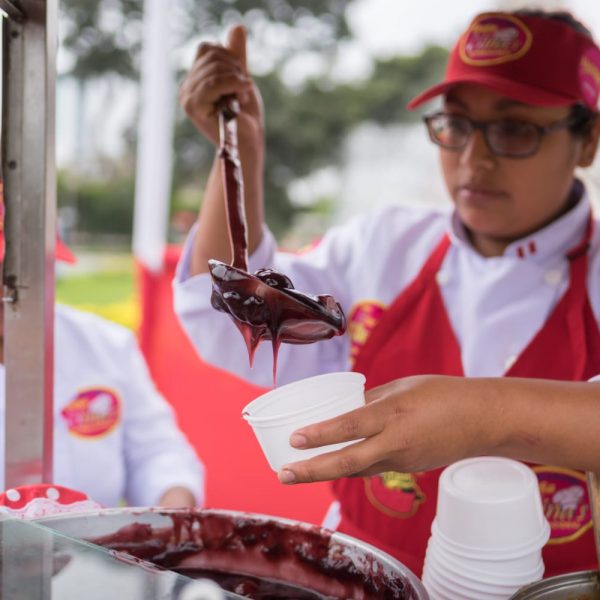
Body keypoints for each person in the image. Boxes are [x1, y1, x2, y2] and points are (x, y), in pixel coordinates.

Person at [174, 9, 600, 577]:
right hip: (362, 579)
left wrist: (481, 417)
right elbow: (227, 312)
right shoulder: (385, 247)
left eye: (514, 129)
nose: (474, 158)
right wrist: (240, 152)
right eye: (454, 126)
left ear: (589, 138)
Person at [0, 238, 205, 508]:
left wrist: (174, 505)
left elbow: (154, 450)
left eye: (20, 275)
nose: (12, 292)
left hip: (93, 545)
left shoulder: (105, 344)